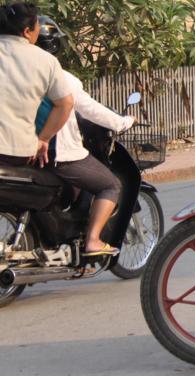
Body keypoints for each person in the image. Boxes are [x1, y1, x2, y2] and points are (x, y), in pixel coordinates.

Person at [35, 16, 135, 256]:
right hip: (57, 155)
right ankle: (93, 240)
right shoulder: (62, 78)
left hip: (21, 152)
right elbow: (90, 109)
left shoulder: (19, 76)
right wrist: (122, 122)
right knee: (111, 185)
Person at [0, 1, 74, 170]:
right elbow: (65, 103)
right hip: (18, 153)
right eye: (37, 28)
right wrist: (44, 139)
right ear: (27, 32)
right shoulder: (47, 61)